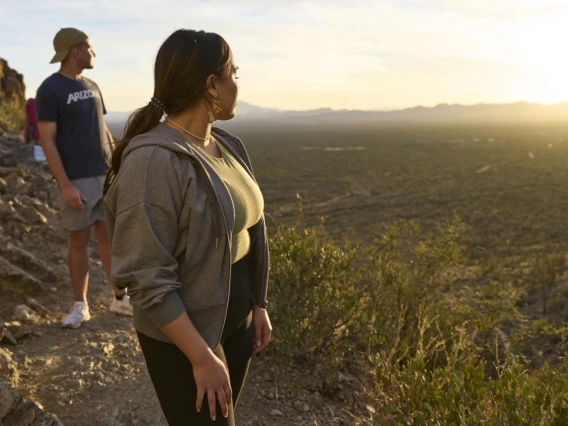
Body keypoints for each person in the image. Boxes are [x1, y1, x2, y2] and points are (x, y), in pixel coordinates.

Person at [103, 29, 272, 425]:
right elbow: (147, 277)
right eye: (232, 73)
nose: (237, 83)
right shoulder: (153, 162)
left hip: (238, 315)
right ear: (212, 86)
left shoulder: (226, 143)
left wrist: (257, 305)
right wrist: (200, 356)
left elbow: (250, 229)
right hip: (187, 334)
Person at [36, 28, 133, 329]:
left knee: (107, 237)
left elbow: (102, 129)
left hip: (104, 175)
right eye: (90, 48)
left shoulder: (92, 85)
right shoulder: (49, 89)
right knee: (78, 241)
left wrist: (117, 164)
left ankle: (120, 298)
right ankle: (81, 306)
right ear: (75, 51)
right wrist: (65, 184)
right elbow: (47, 141)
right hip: (76, 179)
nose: (94, 54)